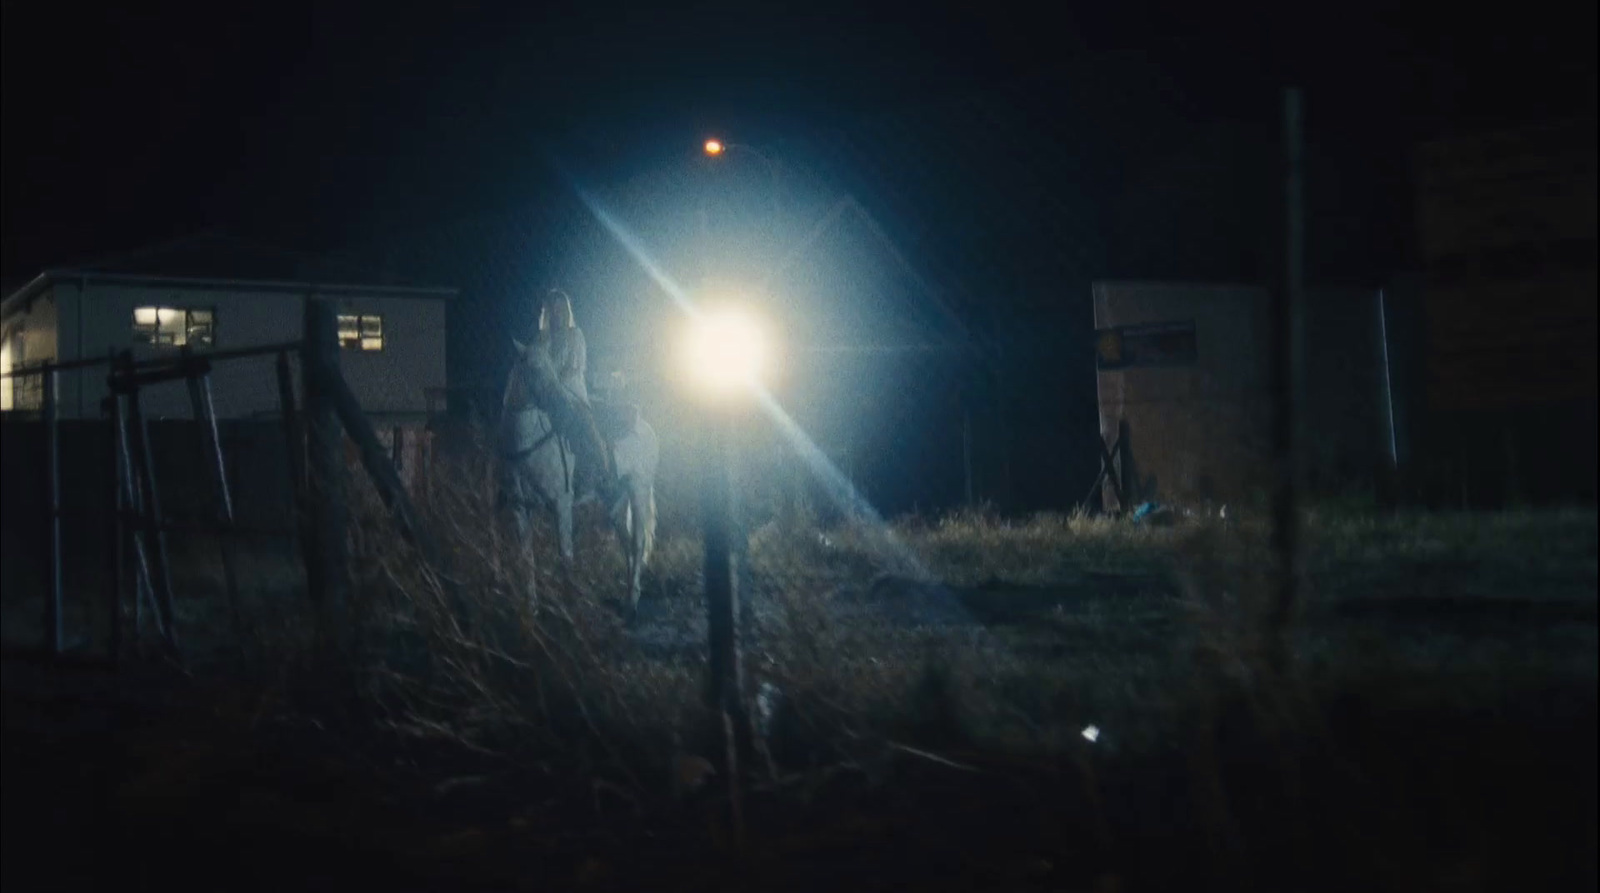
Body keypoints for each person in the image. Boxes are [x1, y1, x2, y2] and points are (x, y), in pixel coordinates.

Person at [534, 288, 617, 502]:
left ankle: (600, 472)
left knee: (585, 423)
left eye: (560, 309)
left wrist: (553, 379)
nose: (556, 314)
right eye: (552, 310)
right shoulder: (542, 339)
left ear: (566, 311)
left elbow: (574, 367)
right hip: (547, 392)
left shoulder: (575, 335)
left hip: (571, 392)